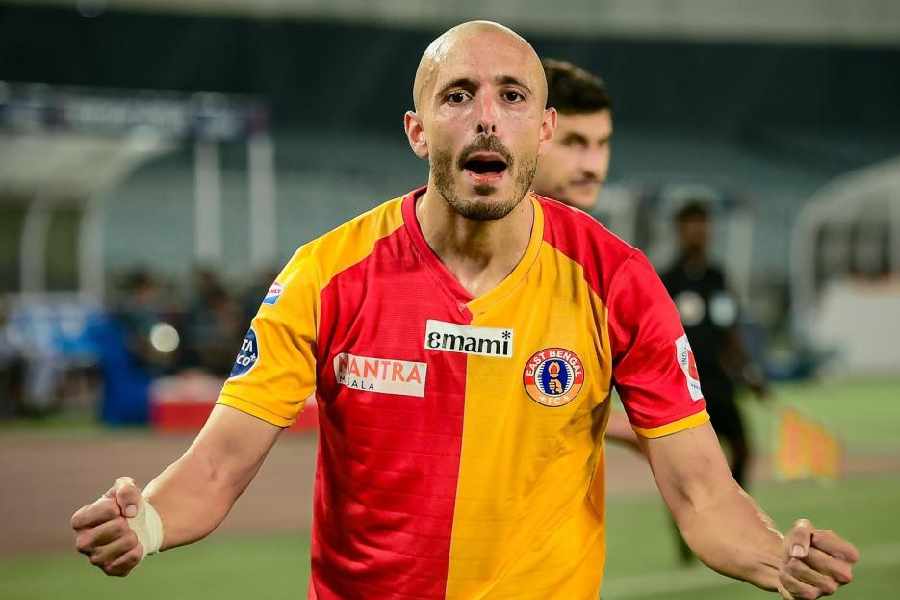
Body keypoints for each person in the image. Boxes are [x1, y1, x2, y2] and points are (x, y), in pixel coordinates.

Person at [71, 21, 858, 600]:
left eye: (512, 97)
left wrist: (772, 557)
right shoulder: (327, 275)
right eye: (458, 95)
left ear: (541, 131)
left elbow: (701, 493)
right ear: (418, 131)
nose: (487, 116)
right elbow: (217, 465)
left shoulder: (616, 282)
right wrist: (146, 524)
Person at [531, 58, 639, 450]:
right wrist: (625, 430)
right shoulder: (479, 252)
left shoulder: (608, 267)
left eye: (602, 144)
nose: (593, 166)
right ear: (534, 136)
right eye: (575, 143)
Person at [660, 199, 769, 490]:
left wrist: (749, 372)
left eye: (703, 225)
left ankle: (733, 513)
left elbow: (730, 330)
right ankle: (689, 535)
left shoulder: (718, 277)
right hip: (685, 388)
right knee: (690, 468)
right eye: (691, 225)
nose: (698, 232)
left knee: (742, 450)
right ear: (679, 231)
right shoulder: (668, 280)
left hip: (720, 383)